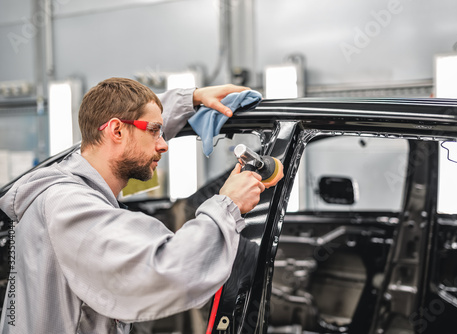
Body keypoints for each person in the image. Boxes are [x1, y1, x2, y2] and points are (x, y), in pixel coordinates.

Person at [0, 77, 266, 333]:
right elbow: (167, 271)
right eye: (154, 131)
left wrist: (191, 99)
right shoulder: (69, 205)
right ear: (116, 130)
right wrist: (228, 205)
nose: (163, 145)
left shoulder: (72, 172)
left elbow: (124, 121)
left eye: (162, 131)